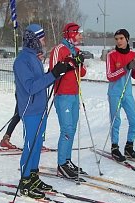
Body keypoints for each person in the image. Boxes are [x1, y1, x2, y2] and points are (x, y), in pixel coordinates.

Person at [14, 24, 71, 199]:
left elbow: (42, 81)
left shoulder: (35, 58)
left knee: (38, 145)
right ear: (33, 40)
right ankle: (25, 181)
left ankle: (33, 176)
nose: (44, 41)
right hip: (30, 110)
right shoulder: (22, 60)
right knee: (31, 145)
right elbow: (31, 87)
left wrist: (59, 71)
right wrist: (53, 74)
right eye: (42, 38)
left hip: (40, 108)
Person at [49, 22, 87, 178]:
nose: (81, 36)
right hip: (62, 94)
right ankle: (61, 164)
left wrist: (79, 61)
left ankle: (67, 160)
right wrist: (71, 62)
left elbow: (82, 72)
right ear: (70, 34)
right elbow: (54, 71)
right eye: (78, 33)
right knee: (66, 129)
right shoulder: (59, 49)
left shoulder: (76, 50)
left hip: (74, 94)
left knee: (72, 129)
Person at [106, 29, 135, 162]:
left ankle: (129, 146)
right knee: (116, 121)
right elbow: (110, 76)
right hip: (115, 92)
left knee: (134, 120)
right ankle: (115, 147)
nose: (119, 41)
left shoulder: (133, 54)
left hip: (127, 93)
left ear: (127, 39)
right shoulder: (111, 55)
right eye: (116, 39)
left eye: (121, 38)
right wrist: (126, 67)